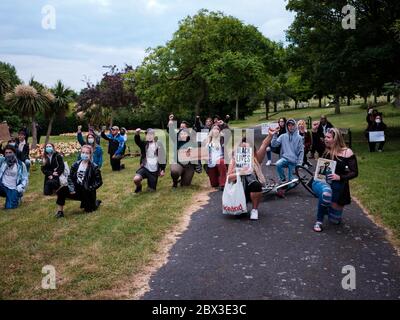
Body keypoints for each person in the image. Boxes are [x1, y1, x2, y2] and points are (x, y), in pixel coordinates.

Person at [311, 128, 358, 232]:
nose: (326, 139)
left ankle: (327, 207)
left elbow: (354, 172)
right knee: (326, 193)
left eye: (328, 137)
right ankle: (319, 221)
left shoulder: (347, 152)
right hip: (321, 182)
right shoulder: (325, 148)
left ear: (336, 139)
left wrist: (340, 177)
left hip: (338, 186)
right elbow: (315, 143)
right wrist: (314, 132)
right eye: (325, 137)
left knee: (335, 221)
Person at [226, 133, 273, 221]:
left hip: (252, 186)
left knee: (256, 185)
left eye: (248, 149)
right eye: (243, 149)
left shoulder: (255, 159)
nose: (245, 151)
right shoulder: (234, 160)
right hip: (238, 189)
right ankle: (241, 206)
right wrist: (240, 172)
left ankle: (254, 210)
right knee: (239, 215)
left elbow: (264, 145)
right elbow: (228, 178)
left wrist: (270, 135)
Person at [55, 145, 103, 218]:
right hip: (76, 189)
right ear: (80, 153)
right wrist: (71, 188)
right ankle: (60, 211)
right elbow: (70, 178)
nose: (84, 154)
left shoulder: (94, 167)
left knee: (89, 210)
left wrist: (90, 188)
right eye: (83, 152)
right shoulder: (75, 164)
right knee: (61, 190)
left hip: (87, 191)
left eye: (87, 153)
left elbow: (99, 181)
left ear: (90, 155)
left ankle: (96, 202)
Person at [271, 119, 304, 197]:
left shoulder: (299, 138)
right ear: (287, 126)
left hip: (294, 161)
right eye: (289, 125)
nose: (291, 127)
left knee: (290, 185)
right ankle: (283, 180)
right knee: (278, 163)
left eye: (292, 125)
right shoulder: (283, 136)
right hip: (285, 159)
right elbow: (274, 144)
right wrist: (275, 134)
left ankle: (291, 181)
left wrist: (299, 164)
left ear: (295, 126)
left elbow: (301, 151)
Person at [133, 128, 166, 193]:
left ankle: (150, 184)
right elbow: (137, 141)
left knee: (151, 190)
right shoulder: (144, 144)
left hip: (154, 170)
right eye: (147, 135)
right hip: (145, 168)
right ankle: (139, 187)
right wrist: (137, 134)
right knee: (136, 179)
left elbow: (162, 158)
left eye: (151, 134)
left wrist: (162, 169)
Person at [0, 145, 29, 209]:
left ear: (14, 153)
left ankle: (17, 196)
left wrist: (20, 188)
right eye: (6, 153)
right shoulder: (2, 161)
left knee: (9, 207)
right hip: (2, 186)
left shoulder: (21, 164)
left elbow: (25, 178)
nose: (8, 154)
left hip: (14, 188)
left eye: (10, 152)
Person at [205, 124, 227, 190]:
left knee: (221, 162)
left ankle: (223, 183)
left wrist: (224, 124)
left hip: (220, 159)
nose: (216, 130)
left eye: (217, 129)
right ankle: (217, 178)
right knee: (214, 184)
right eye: (214, 129)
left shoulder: (222, 139)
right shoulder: (207, 141)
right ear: (211, 131)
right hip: (211, 163)